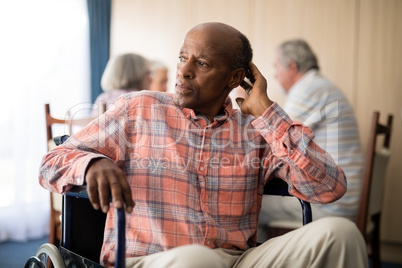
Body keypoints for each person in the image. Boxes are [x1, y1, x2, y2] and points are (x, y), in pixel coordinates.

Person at [39, 22, 368, 267]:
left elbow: (330, 187)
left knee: (341, 234)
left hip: (238, 260)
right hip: (153, 260)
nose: (183, 71)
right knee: (198, 261)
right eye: (183, 57)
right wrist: (92, 163)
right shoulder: (140, 108)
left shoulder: (256, 130)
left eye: (202, 64)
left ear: (235, 79)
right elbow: (51, 163)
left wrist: (268, 112)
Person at [258, 39, 364, 240]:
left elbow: (277, 140)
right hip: (345, 197)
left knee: (252, 205)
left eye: (276, 67)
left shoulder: (308, 89)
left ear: (291, 67)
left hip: (332, 202)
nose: (274, 74)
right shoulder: (321, 86)